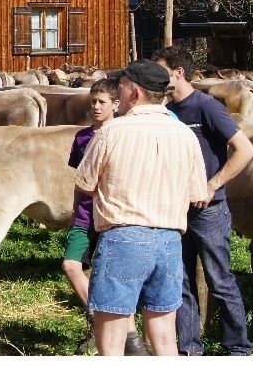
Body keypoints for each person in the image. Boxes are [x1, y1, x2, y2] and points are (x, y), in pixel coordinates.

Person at [74, 60, 209, 356]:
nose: (118, 93)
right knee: (164, 336)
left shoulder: (111, 132)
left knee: (112, 338)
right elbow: (198, 193)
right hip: (169, 240)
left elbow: (85, 183)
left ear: (135, 92)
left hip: (123, 237)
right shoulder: (185, 134)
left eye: (121, 87)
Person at [154, 45, 253, 356]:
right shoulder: (168, 111)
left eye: (161, 71)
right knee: (182, 281)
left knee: (219, 280)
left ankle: (237, 349)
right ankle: (189, 350)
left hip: (208, 211)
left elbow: (245, 149)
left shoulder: (206, 107)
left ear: (178, 73)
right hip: (177, 209)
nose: (157, 77)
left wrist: (212, 185)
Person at [62, 77, 146, 356]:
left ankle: (127, 337)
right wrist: (75, 210)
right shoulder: (82, 138)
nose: (96, 107)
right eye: (93, 102)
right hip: (85, 215)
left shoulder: (126, 135)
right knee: (71, 265)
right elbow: (79, 180)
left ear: (116, 105)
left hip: (112, 217)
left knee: (112, 277)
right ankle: (97, 317)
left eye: (102, 102)